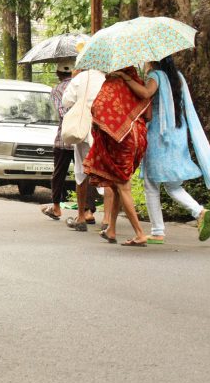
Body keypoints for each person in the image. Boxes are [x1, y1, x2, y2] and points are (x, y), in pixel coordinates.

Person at [112, 56, 210, 243]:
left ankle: (157, 231)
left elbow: (146, 93)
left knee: (150, 184)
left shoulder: (156, 75)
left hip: (159, 136)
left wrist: (126, 78)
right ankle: (199, 211)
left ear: (153, 61)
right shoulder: (177, 76)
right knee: (173, 185)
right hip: (178, 133)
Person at [84, 66, 151, 246]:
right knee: (115, 186)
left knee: (123, 186)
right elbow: (149, 113)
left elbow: (98, 109)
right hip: (139, 137)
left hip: (122, 140)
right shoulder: (135, 81)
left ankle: (139, 233)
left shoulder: (112, 83)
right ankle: (111, 229)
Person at [61, 68, 104, 231]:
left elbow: (66, 101)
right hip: (102, 130)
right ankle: (107, 220)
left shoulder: (80, 78)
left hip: (83, 130)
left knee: (81, 173)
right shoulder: (107, 79)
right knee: (105, 175)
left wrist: (74, 78)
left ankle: (80, 216)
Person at [41, 60, 75, 220]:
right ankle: (88, 211)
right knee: (84, 173)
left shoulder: (57, 90)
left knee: (59, 173)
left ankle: (56, 207)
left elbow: (61, 112)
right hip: (83, 137)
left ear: (58, 73)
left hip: (64, 136)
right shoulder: (80, 85)